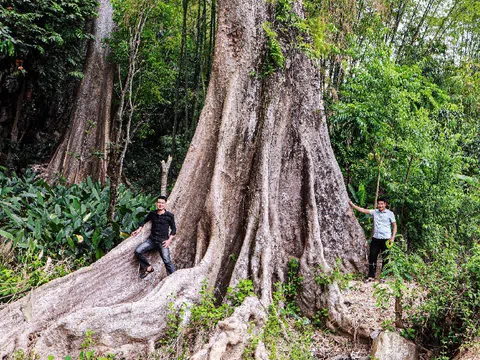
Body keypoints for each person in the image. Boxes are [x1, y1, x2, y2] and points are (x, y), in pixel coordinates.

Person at [349, 197, 397, 280]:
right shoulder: (375, 212)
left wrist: (393, 237)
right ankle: (371, 276)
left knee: (385, 258)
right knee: (372, 257)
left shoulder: (390, 213)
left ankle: (384, 276)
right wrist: (352, 205)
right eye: (379, 204)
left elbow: (395, 225)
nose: (380, 205)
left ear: (385, 204)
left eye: (382, 204)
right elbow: (363, 210)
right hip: (376, 238)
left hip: (386, 239)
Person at [132, 195, 176, 278]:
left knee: (167, 261)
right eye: (159, 202)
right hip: (151, 240)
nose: (160, 204)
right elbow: (144, 221)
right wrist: (139, 229)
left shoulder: (169, 216)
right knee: (138, 251)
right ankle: (148, 267)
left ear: (165, 204)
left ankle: (172, 279)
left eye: (162, 203)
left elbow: (174, 229)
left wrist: (169, 240)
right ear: (156, 203)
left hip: (163, 242)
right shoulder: (152, 213)